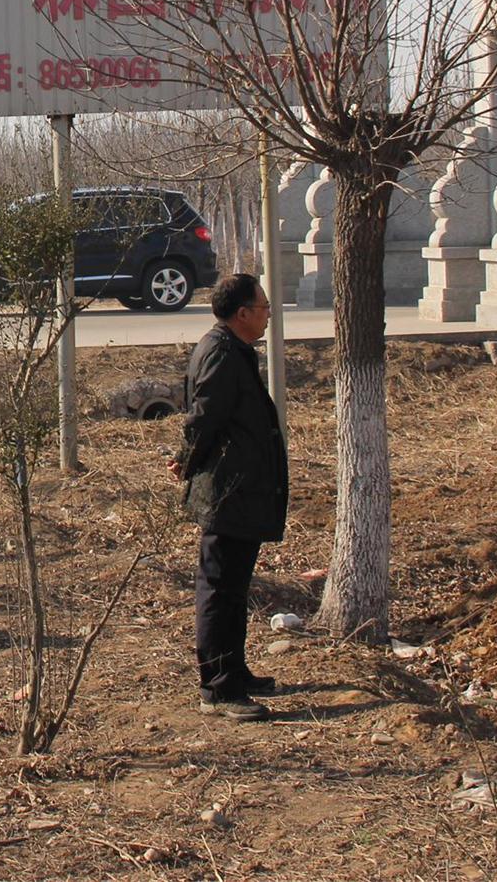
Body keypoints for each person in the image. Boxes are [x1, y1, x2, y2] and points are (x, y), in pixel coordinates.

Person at [168, 271, 288, 720]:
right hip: (225, 493)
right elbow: (204, 417)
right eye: (263, 307)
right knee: (219, 591)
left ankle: (235, 672)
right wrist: (186, 459)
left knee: (235, 589)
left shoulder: (234, 348)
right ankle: (218, 689)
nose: (268, 315)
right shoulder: (220, 352)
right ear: (242, 314)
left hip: (240, 490)